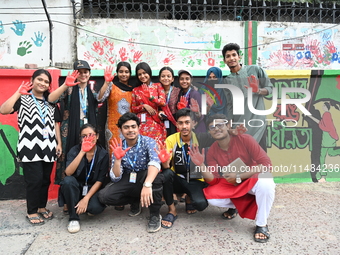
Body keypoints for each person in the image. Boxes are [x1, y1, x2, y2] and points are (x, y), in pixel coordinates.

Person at [189, 114, 275, 243]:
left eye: (220, 125)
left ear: (228, 125)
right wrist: (201, 165)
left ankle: (262, 224)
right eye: (212, 127)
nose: (216, 129)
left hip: (253, 179)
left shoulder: (245, 139)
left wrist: (240, 176)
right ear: (210, 132)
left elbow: (266, 164)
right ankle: (238, 205)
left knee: (266, 181)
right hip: (234, 184)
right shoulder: (212, 151)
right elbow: (213, 180)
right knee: (211, 197)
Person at [0, 69, 62, 225]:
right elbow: (3, 110)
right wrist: (18, 92)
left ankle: (41, 207)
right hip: (29, 146)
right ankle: (32, 211)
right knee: (33, 180)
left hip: (48, 146)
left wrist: (58, 143)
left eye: (46, 81)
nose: (42, 83)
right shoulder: (23, 98)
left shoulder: (51, 101)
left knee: (44, 180)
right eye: (39, 80)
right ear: (32, 80)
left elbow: (55, 124)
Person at [98, 112, 164, 233]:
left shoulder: (148, 142)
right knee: (104, 196)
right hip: (128, 178)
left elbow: (155, 163)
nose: (130, 130)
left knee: (156, 177)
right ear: (121, 130)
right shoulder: (119, 146)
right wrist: (117, 160)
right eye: (126, 127)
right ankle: (135, 200)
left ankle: (155, 214)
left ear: (138, 128)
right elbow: (116, 177)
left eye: (133, 126)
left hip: (145, 176)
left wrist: (147, 184)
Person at [155, 108, 214, 229]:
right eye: (181, 123)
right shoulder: (171, 139)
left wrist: (233, 132)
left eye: (187, 122)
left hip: (196, 180)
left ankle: (188, 197)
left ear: (193, 123)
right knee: (165, 174)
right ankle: (172, 210)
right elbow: (166, 167)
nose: (184, 126)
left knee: (201, 205)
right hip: (178, 178)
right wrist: (164, 161)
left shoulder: (202, 138)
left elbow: (222, 138)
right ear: (176, 125)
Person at [48, 60, 101, 185]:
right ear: (75, 73)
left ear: (89, 74)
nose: (83, 75)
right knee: (68, 157)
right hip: (70, 130)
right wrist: (66, 85)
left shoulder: (92, 93)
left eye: (85, 72)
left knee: (88, 157)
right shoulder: (69, 90)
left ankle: (86, 190)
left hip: (88, 130)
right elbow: (51, 99)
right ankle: (67, 197)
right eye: (80, 72)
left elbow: (101, 98)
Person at [222, 43, 273, 151]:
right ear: (224, 60)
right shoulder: (227, 81)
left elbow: (270, 89)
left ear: (239, 56)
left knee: (261, 161)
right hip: (240, 127)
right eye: (228, 56)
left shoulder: (255, 70)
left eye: (234, 55)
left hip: (258, 124)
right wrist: (230, 125)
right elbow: (230, 104)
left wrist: (258, 90)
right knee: (244, 160)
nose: (231, 58)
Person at [58, 124, 108, 233]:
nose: (88, 138)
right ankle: (73, 218)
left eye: (91, 135)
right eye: (84, 136)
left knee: (95, 209)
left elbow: (100, 180)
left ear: (97, 136)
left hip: (91, 188)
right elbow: (68, 172)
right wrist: (82, 152)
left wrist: (86, 199)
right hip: (76, 186)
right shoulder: (75, 150)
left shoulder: (103, 154)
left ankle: (79, 204)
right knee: (68, 181)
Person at [97, 62, 134, 157]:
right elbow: (99, 98)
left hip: (129, 127)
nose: (124, 74)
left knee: (128, 152)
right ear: (117, 73)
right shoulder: (111, 86)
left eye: (126, 72)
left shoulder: (133, 90)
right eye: (121, 72)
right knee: (113, 153)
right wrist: (106, 82)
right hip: (113, 127)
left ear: (130, 74)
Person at [131, 62, 167, 142]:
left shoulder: (157, 86)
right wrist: (144, 106)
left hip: (155, 122)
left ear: (149, 72)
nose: (142, 76)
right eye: (139, 74)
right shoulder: (135, 90)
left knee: (156, 148)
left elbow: (163, 102)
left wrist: (151, 98)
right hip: (141, 124)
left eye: (144, 73)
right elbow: (133, 109)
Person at [306, 101, 340, 182]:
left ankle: (323, 176)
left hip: (328, 137)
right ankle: (323, 177)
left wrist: (320, 126)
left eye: (324, 106)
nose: (322, 107)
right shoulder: (325, 115)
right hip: (326, 137)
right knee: (326, 155)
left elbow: (326, 127)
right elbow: (320, 123)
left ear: (326, 107)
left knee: (325, 156)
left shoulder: (327, 114)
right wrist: (310, 117)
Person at [158, 66, 181, 136]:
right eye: (163, 76)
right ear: (159, 78)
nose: (166, 78)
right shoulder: (155, 91)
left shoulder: (178, 91)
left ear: (172, 79)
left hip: (173, 123)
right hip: (159, 123)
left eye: (168, 76)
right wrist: (159, 112)